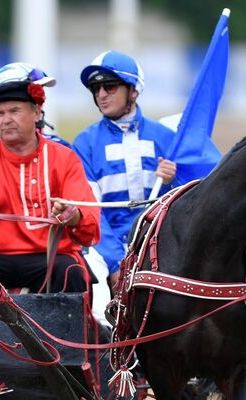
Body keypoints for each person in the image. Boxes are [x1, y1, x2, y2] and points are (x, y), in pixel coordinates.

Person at [0, 63, 100, 293]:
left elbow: (88, 224)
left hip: (51, 257)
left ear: (37, 112)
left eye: (14, 111)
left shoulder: (64, 158)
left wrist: (72, 215)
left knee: (71, 270)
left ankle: (71, 330)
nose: (6, 120)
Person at [72, 51, 178, 319]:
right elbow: (92, 211)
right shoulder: (84, 143)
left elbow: (187, 201)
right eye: (96, 89)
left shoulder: (166, 137)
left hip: (158, 241)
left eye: (110, 86)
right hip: (104, 248)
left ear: (133, 91)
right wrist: (116, 262)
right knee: (98, 305)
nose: (101, 94)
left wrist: (172, 180)